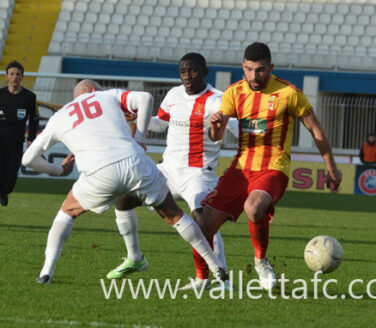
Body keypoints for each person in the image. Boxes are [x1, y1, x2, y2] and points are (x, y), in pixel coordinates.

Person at [22, 79, 227, 285]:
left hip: (98, 173)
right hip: (134, 162)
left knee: (67, 212)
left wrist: (58, 170)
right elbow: (145, 98)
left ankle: (46, 271)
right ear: (94, 90)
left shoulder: (60, 116)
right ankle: (214, 264)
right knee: (174, 215)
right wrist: (138, 138)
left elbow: (28, 159)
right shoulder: (107, 95)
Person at [189, 42, 342, 290]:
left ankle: (261, 262)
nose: (254, 76)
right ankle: (202, 279)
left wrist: (332, 169)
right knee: (203, 224)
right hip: (240, 169)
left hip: (273, 167)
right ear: (243, 67)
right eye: (249, 69)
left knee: (253, 207)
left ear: (270, 67)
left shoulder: (289, 93)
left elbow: (316, 130)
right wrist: (215, 125)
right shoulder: (234, 92)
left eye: (260, 70)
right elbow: (216, 136)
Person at [111, 53, 238, 290]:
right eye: (183, 71)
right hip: (168, 169)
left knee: (204, 220)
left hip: (198, 173)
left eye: (193, 71)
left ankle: (221, 279)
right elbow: (160, 123)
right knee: (123, 200)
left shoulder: (217, 100)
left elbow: (236, 128)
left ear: (204, 71)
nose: (187, 76)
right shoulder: (173, 94)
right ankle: (135, 258)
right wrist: (139, 118)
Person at [0, 60, 39, 206]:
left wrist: (31, 138)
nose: (14, 77)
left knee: (10, 177)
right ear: (6, 77)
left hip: (16, 143)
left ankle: (4, 192)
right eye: (11, 74)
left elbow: (34, 118)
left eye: (18, 74)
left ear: (22, 77)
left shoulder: (29, 97)